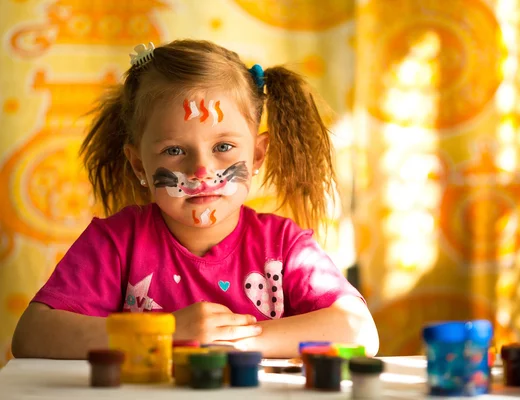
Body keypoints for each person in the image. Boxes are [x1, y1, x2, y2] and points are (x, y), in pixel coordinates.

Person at [11, 39, 379, 359]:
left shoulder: (284, 247)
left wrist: (234, 342)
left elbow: (360, 332)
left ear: (257, 157)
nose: (202, 171)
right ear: (139, 163)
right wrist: (167, 332)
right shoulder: (116, 243)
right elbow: (31, 336)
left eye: (223, 146)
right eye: (174, 150)